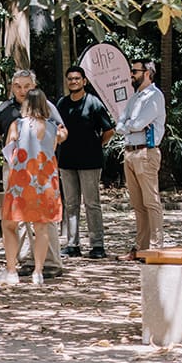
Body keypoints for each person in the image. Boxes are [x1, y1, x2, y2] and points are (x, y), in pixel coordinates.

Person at [0, 69, 65, 276]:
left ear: (34, 87)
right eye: (18, 86)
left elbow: (63, 130)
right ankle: (28, 262)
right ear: (12, 87)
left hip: (27, 170)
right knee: (22, 220)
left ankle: (50, 263)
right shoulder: (5, 108)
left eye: (26, 86)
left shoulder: (47, 108)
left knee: (38, 221)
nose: (22, 90)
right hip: (26, 170)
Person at [56, 65, 116, 259]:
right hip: (66, 161)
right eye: (70, 79)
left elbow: (109, 130)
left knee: (92, 204)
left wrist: (95, 145)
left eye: (77, 78)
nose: (73, 81)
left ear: (84, 81)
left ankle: (97, 245)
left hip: (90, 162)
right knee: (71, 204)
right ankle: (72, 245)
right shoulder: (62, 104)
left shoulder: (94, 103)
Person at [117, 58, 167, 261]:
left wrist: (128, 124)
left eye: (135, 71)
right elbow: (121, 123)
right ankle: (141, 247)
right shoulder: (134, 97)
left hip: (146, 152)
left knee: (151, 202)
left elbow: (137, 123)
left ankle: (156, 247)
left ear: (147, 73)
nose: (131, 74)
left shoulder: (155, 96)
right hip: (130, 152)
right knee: (138, 204)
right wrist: (128, 124)